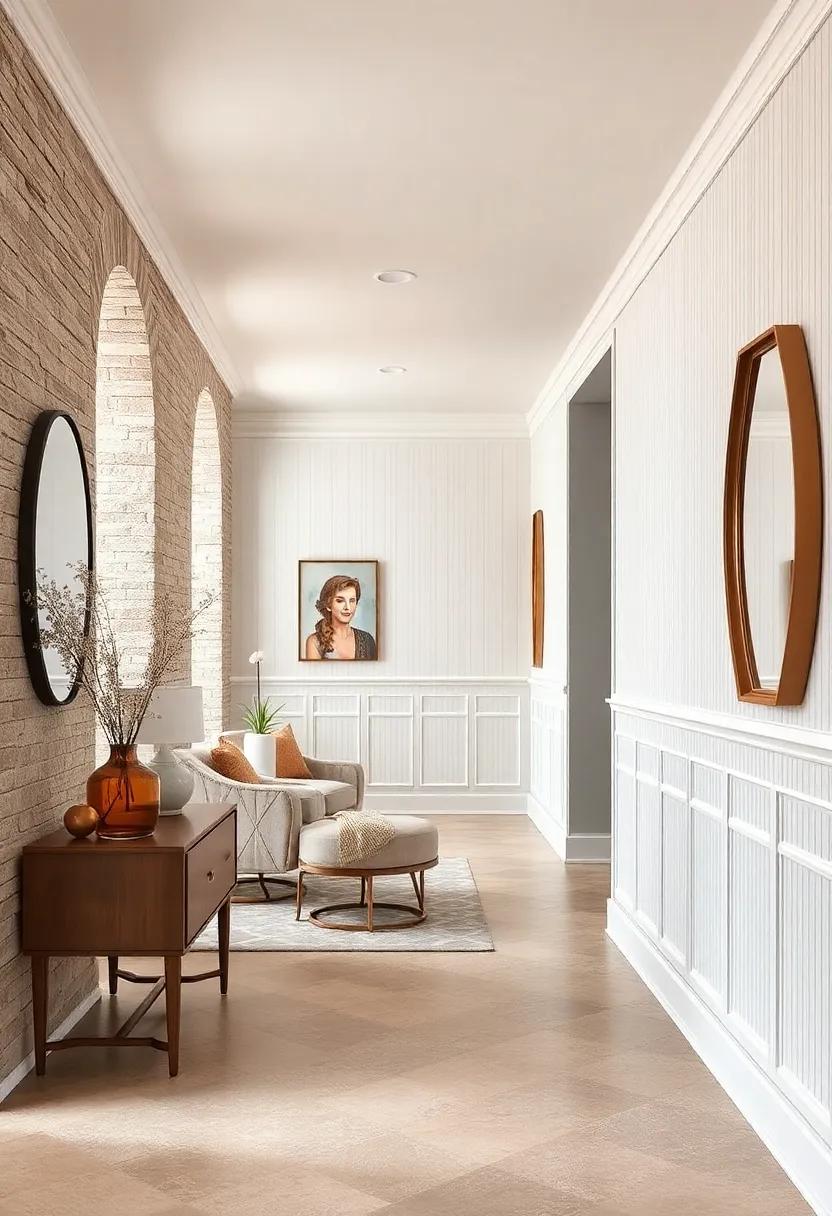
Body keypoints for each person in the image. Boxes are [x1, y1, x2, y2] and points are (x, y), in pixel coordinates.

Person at [304, 574, 377, 660]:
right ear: (328, 605)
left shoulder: (368, 640)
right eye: (340, 601)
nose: (347, 607)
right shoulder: (314, 642)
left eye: (352, 601)